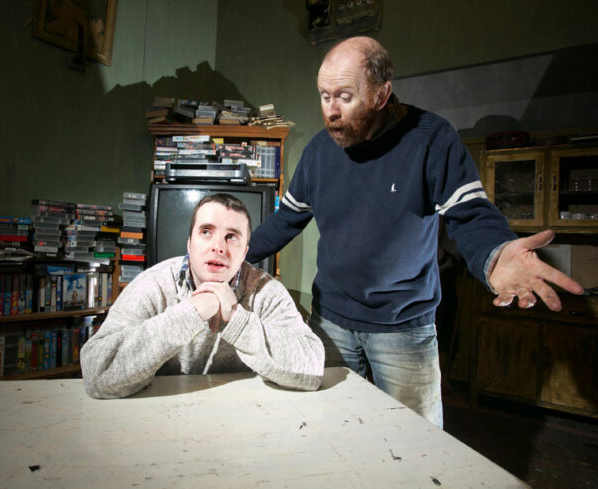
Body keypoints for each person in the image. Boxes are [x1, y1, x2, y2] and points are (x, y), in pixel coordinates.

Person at [246, 36, 584, 427]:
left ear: (381, 94)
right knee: (329, 431)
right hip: (331, 322)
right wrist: (229, 257)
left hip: (403, 328)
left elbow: (470, 214)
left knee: (418, 446)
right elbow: (284, 220)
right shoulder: (320, 153)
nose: (331, 112)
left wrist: (494, 255)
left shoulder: (431, 139)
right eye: (324, 96)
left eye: (344, 96)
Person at [81, 193, 325, 399]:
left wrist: (237, 320)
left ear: (245, 253)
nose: (218, 246)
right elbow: (97, 373)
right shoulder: (152, 284)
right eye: (206, 231)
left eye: (232, 236)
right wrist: (191, 313)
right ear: (189, 244)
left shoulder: (266, 291)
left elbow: (312, 370)